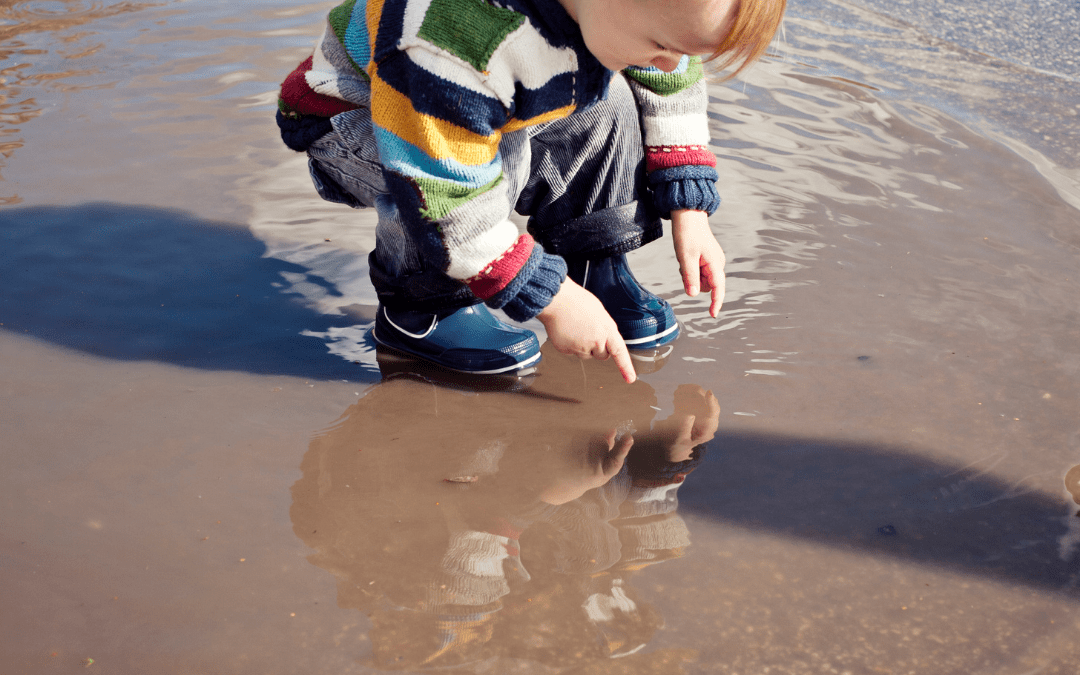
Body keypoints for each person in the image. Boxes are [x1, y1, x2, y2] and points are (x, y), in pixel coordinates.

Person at [276, 0, 786, 382]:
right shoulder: (452, 39)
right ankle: (421, 308)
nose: (672, 62)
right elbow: (446, 198)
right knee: (490, 169)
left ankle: (592, 259)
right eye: (664, 48)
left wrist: (689, 209)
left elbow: (668, 79)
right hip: (366, 125)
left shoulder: (634, 16)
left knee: (609, 104)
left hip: (487, 107)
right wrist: (553, 301)